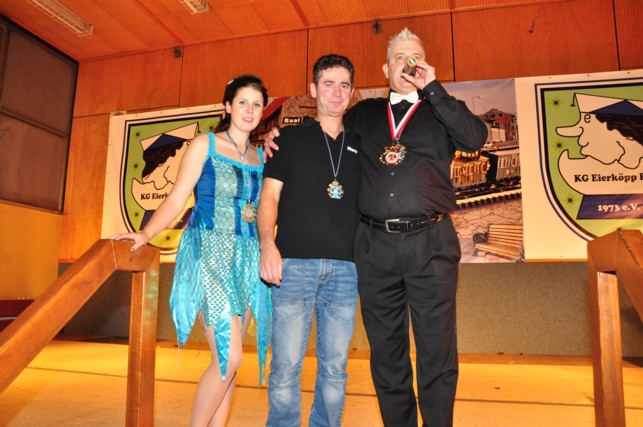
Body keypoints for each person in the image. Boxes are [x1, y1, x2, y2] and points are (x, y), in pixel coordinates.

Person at [265, 29, 488, 427]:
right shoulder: (364, 115)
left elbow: (475, 138)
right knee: (387, 353)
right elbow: (325, 126)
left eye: (414, 56)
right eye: (399, 57)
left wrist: (432, 88)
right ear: (386, 69)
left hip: (431, 242)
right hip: (375, 247)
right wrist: (276, 134)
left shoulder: (442, 110)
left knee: (437, 348)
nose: (408, 63)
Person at [113, 75, 272, 427]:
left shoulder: (261, 156)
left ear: (263, 111)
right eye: (242, 102)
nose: (249, 110)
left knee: (228, 364)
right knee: (230, 357)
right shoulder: (205, 144)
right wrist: (146, 233)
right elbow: (175, 199)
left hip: (249, 259)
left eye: (257, 104)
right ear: (227, 106)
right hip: (211, 252)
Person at [257, 54, 361, 427]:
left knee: (335, 368)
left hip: (346, 271)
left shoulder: (362, 142)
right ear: (313, 90)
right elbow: (268, 198)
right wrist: (267, 245)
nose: (336, 92)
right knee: (285, 365)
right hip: (293, 266)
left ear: (352, 92)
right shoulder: (288, 139)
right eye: (328, 84)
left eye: (344, 85)